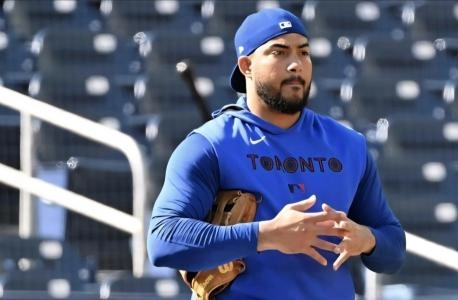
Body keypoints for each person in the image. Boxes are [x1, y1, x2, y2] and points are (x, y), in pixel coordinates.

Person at [147, 7, 405, 300]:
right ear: (246, 66)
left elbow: (393, 249)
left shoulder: (348, 145)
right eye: (279, 52)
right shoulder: (210, 145)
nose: (296, 64)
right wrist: (265, 235)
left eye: (304, 53)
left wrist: (368, 240)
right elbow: (163, 241)